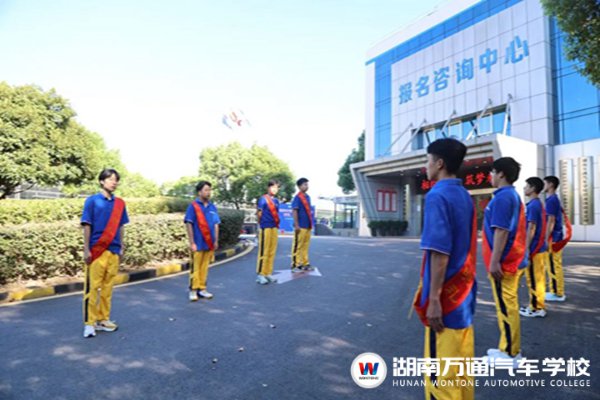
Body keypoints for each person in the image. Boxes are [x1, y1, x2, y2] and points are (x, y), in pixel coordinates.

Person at [413, 138, 476, 400]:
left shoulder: (437, 196)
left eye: (427, 161)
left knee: (441, 378)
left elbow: (439, 253)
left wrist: (435, 300)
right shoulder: (464, 196)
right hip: (464, 295)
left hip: (446, 300)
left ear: (439, 163)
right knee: (462, 370)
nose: (425, 166)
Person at [482, 157, 526, 365]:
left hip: (504, 263)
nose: (490, 175)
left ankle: (510, 353)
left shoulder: (503, 198)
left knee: (506, 306)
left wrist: (494, 262)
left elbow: (501, 231)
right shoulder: (509, 196)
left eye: (492, 172)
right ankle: (507, 347)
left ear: (501, 174)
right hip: (510, 260)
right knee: (507, 304)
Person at [81, 169, 130, 338]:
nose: (114, 182)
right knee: (92, 288)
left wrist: (121, 246)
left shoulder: (120, 203)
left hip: (114, 250)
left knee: (108, 288)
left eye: (116, 180)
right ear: (102, 181)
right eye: (110, 179)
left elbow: (121, 226)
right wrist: (86, 249)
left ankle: (103, 319)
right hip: (97, 250)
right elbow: (86, 225)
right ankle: (89, 323)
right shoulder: (92, 201)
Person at [184, 181, 220, 301]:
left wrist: (216, 240)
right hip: (198, 242)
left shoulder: (212, 207)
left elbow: (216, 224)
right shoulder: (193, 206)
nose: (208, 192)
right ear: (199, 192)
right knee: (195, 267)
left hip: (209, 242)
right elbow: (189, 223)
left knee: (205, 267)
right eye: (206, 190)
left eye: (210, 190)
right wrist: (192, 242)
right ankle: (193, 290)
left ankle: (202, 288)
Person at [519, 177, 548, 318]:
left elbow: (531, 228)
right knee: (538, 278)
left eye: (527, 186)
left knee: (534, 279)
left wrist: (526, 248)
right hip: (539, 247)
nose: (524, 188)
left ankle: (536, 308)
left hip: (535, 248)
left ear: (533, 188)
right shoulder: (537, 204)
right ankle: (537, 305)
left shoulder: (532, 206)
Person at [543, 176, 572, 302]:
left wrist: (545, 238)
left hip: (553, 238)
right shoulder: (554, 199)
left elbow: (551, 221)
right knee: (555, 264)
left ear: (550, 184)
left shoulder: (551, 200)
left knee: (553, 265)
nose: (543, 186)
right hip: (557, 237)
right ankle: (556, 291)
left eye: (545, 183)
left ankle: (557, 293)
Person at [256, 180, 280, 284]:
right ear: (268, 188)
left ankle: (268, 272)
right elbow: (259, 213)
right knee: (264, 251)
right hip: (265, 226)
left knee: (272, 251)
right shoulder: (263, 199)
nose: (274, 189)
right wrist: (260, 225)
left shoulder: (276, 201)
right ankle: (260, 274)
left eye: (276, 188)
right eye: (273, 187)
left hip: (274, 227)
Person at [291, 177, 314, 272]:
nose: (307, 186)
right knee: (298, 245)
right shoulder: (297, 197)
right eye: (305, 184)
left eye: (307, 184)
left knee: (305, 245)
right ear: (299, 186)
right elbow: (295, 211)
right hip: (300, 225)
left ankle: (305, 263)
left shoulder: (308, 197)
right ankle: (295, 265)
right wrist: (296, 225)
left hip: (307, 225)